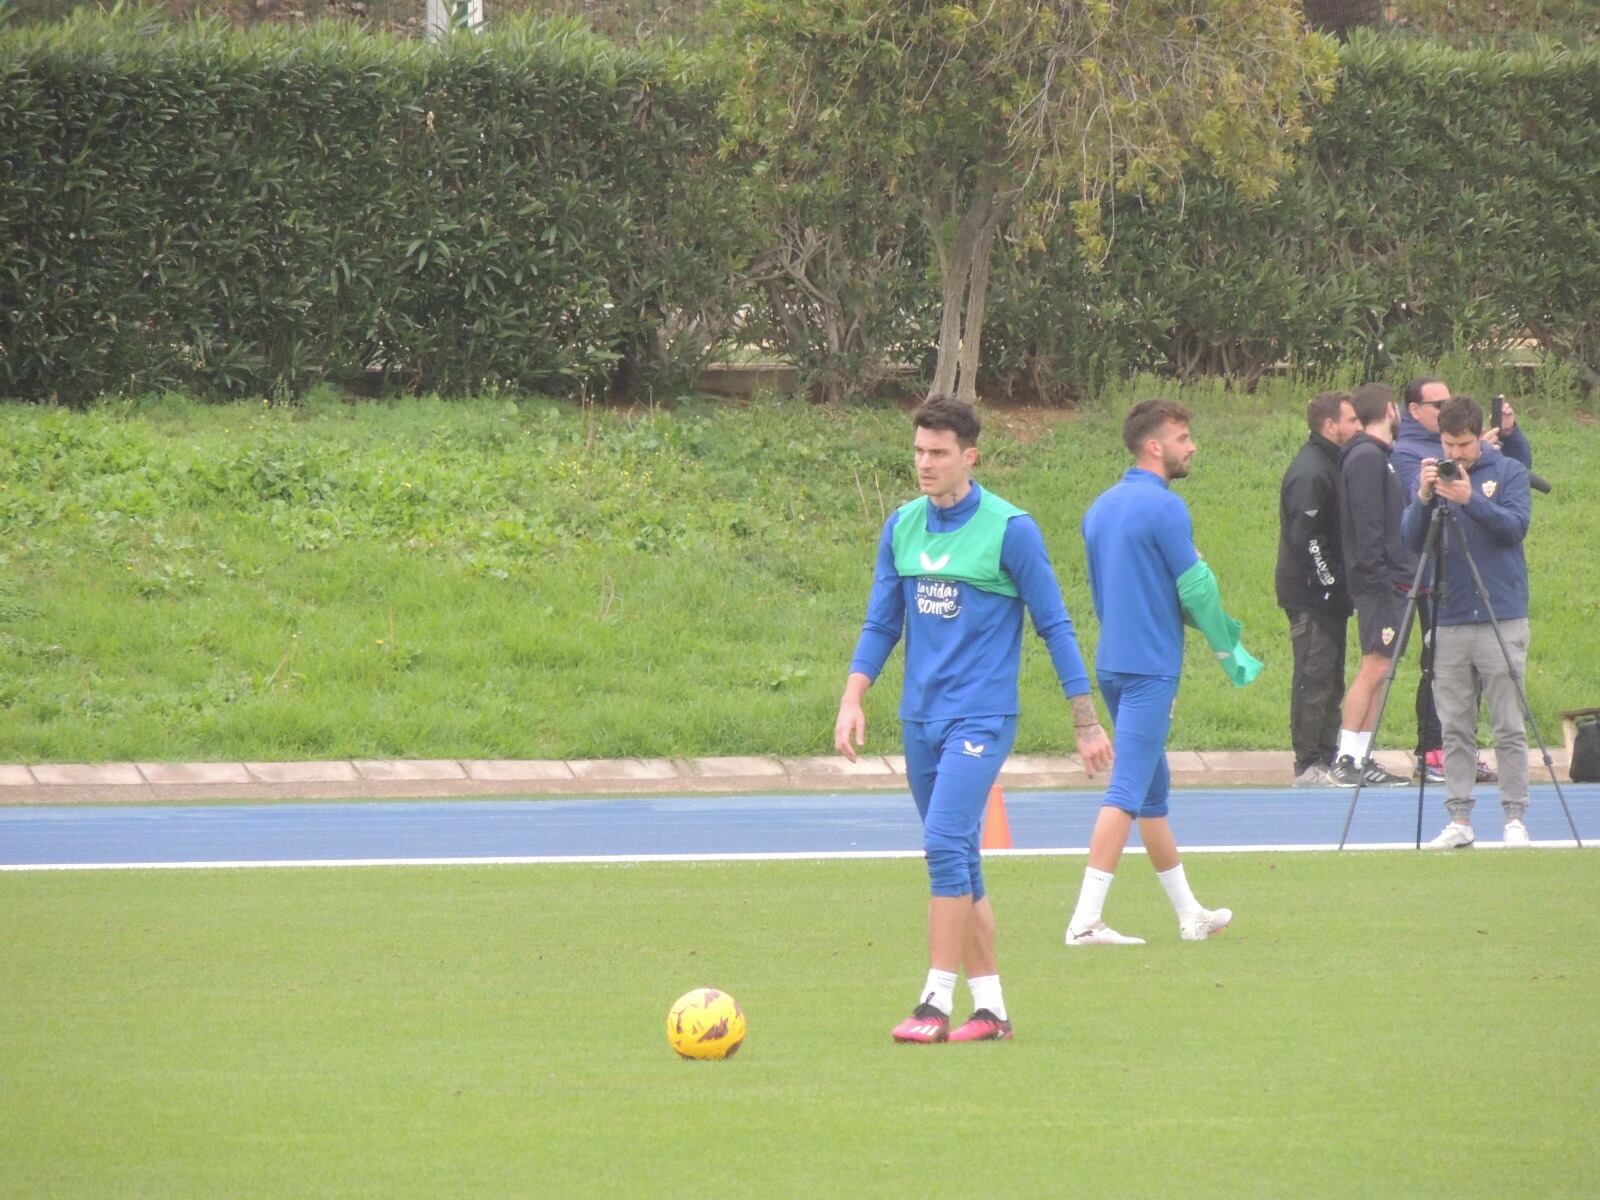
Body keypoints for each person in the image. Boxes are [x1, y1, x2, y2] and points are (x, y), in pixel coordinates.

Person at [834, 394, 1113, 1043]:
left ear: (970, 456)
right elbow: (882, 622)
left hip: (981, 719)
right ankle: (992, 1011)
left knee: (940, 845)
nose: (924, 464)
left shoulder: (1010, 529)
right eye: (918, 452)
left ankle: (934, 1002)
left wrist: (1085, 718)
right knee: (960, 855)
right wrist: (853, 695)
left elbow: (1055, 625)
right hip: (920, 720)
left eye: (938, 453)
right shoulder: (902, 526)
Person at [1064, 399, 1259, 947]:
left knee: (1152, 796)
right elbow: (1195, 589)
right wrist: (1232, 651)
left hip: (1114, 661)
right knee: (1126, 792)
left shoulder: (1100, 507)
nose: (1191, 445)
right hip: (1150, 667)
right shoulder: (1167, 509)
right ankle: (1084, 921)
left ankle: (1189, 913)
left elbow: (1121, 588)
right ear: (1155, 446)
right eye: (1183, 436)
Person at [1401, 396, 1534, 849]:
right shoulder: (1435, 475)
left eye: (1463, 444)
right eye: (1448, 444)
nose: (1455, 454)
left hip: (1501, 611)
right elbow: (1410, 540)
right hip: (1451, 613)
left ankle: (1515, 816)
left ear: (1480, 437)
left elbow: (1514, 528)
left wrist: (1470, 499)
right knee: (1454, 725)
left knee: (1508, 724)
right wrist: (1422, 498)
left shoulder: (1508, 472)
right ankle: (1458, 818)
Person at [1328, 383, 1414, 788]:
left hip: (1391, 579)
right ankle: (1346, 757)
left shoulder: (1381, 457)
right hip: (1379, 583)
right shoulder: (1366, 457)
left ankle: (1361, 756)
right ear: (1391, 409)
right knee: (1374, 665)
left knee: (1382, 668)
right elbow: (1368, 525)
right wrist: (1380, 577)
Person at [1275, 391, 1362, 786]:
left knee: (1331, 675)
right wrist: (1329, 584)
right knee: (1314, 675)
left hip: (1331, 595)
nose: (1358, 427)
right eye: (1352, 421)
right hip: (1311, 594)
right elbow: (1307, 538)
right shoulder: (1311, 470)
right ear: (1331, 426)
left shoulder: (1334, 463)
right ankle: (1309, 761)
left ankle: (1326, 754)